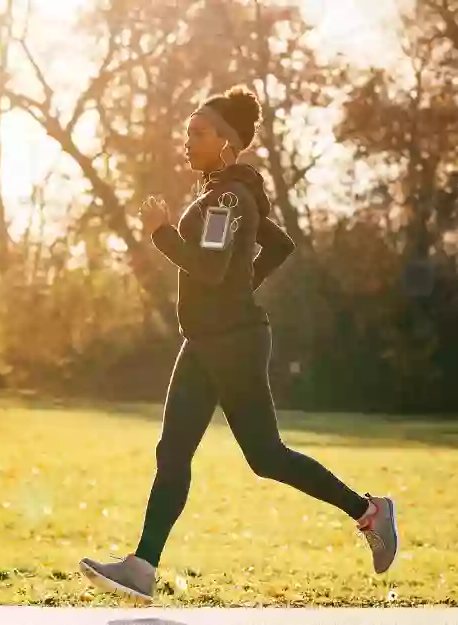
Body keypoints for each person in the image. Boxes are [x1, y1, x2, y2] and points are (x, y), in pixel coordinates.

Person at [78, 85, 399, 603]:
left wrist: (161, 232)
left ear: (227, 144)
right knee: (174, 451)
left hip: (233, 342)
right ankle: (142, 567)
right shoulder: (224, 194)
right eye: (188, 132)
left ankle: (370, 512)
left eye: (199, 133)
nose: (188, 141)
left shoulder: (228, 197)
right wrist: (239, 285)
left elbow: (208, 266)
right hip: (206, 339)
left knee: (266, 455)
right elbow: (278, 244)